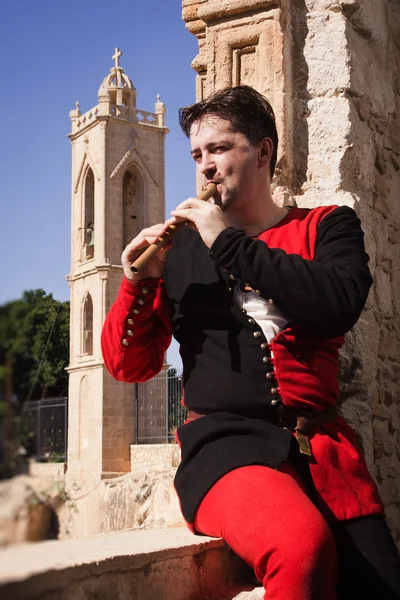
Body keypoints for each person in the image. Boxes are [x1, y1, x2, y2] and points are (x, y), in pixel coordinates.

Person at [101, 86, 400, 599]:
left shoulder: (328, 226)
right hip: (224, 454)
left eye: (219, 149)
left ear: (263, 151)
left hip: (322, 453)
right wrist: (139, 281)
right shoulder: (177, 254)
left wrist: (227, 242)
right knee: (299, 548)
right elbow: (129, 366)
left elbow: (339, 303)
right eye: (197, 154)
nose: (205, 166)